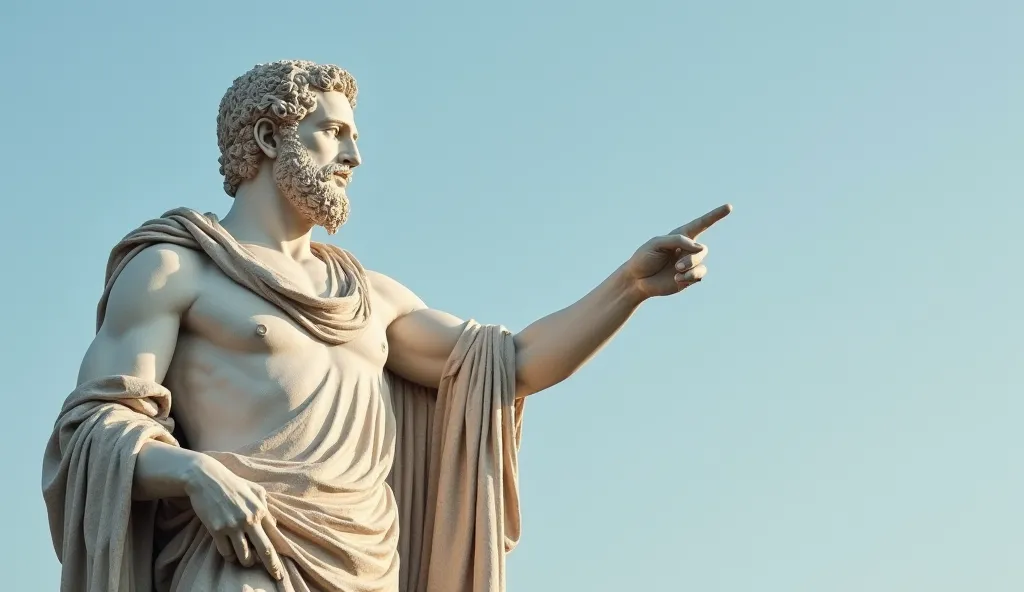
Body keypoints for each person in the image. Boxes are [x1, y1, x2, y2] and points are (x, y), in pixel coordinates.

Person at [42, 59, 731, 592]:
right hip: (244, 560)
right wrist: (194, 473)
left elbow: (512, 364)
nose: (354, 158)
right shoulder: (176, 269)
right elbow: (98, 425)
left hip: (367, 566)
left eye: (355, 138)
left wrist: (628, 286)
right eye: (334, 133)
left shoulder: (370, 297)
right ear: (268, 136)